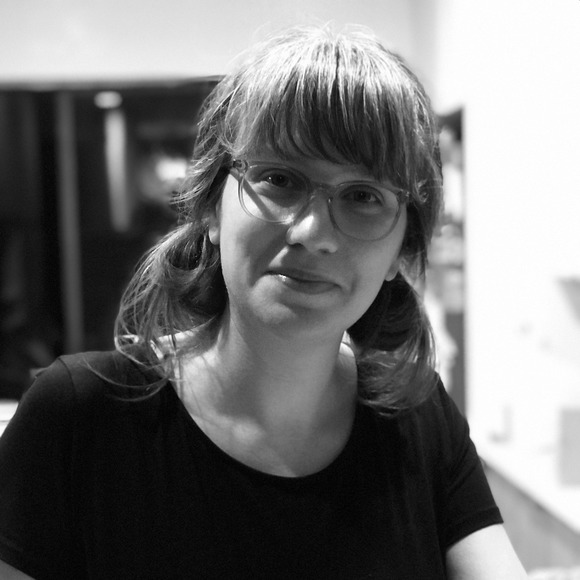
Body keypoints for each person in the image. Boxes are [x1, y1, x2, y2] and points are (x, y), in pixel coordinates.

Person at [0, 25, 527, 579]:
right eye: (279, 178)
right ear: (210, 209)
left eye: (363, 195)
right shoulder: (78, 420)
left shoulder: (418, 418)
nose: (312, 232)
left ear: (403, 249)